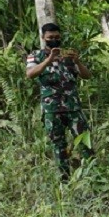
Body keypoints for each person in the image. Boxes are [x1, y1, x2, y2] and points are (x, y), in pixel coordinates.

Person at [25, 22, 94, 181]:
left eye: (56, 37)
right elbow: (30, 74)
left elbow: (86, 75)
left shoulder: (68, 56)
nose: (54, 40)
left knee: (85, 143)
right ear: (43, 38)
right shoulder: (35, 56)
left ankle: (94, 177)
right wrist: (48, 60)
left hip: (73, 108)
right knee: (59, 147)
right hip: (52, 110)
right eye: (50, 38)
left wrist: (77, 61)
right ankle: (65, 181)